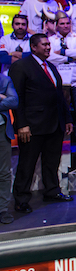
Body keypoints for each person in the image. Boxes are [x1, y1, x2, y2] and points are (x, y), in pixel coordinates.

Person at [9, 34, 73, 214]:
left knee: (52, 162)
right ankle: (21, 199)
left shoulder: (51, 67)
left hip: (55, 123)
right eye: (44, 44)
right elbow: (17, 98)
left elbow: (60, 96)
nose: (47, 47)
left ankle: (52, 191)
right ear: (34, 47)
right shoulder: (21, 67)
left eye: (48, 44)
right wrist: (21, 124)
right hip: (32, 126)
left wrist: (67, 118)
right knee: (27, 164)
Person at [47, 12, 76, 152]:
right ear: (56, 25)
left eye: (67, 23)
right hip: (60, 80)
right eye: (62, 24)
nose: (65, 26)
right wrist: (70, 57)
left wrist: (62, 53)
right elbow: (49, 57)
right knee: (60, 111)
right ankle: (61, 140)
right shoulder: (51, 40)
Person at [0, 73, 18, 224]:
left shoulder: (4, 79)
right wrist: (1, 97)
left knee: (4, 171)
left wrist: (4, 99)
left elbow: (14, 101)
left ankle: (2, 209)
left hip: (1, 130)